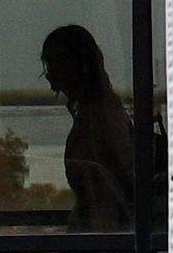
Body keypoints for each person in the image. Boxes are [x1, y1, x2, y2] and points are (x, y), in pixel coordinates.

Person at [42, 25, 139, 233]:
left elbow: (105, 200)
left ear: (77, 64)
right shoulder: (96, 112)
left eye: (55, 61)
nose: (49, 73)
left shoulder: (98, 119)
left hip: (104, 240)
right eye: (47, 62)